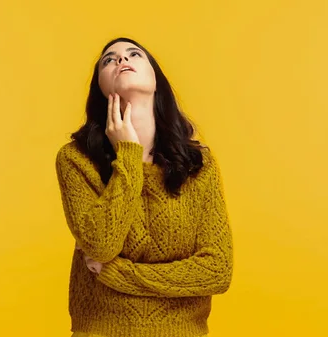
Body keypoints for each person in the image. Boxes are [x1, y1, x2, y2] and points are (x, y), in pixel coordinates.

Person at [55, 37, 233, 337]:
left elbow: (217, 271)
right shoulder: (76, 160)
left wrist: (119, 274)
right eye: (108, 60)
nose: (121, 60)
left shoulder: (198, 164)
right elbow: (100, 244)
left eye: (134, 54)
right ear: (100, 86)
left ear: (156, 79)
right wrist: (128, 154)